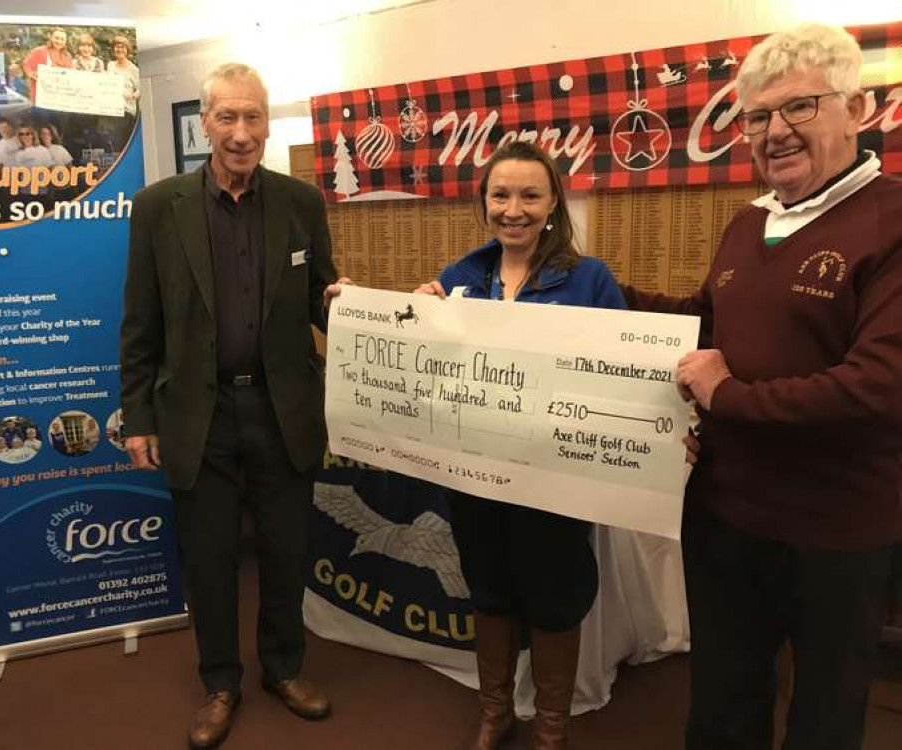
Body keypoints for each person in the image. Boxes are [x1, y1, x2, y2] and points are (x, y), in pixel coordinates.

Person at [621, 23, 902, 750]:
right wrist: (591, 293)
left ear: (856, 108)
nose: (774, 131)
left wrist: (726, 398)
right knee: (720, 703)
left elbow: (876, 386)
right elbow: (704, 323)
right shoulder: (749, 223)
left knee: (825, 717)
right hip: (724, 513)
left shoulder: (892, 218)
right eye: (756, 117)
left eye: (799, 107)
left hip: (836, 529)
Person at [363, 141, 626, 750]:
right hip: (476, 479)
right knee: (490, 589)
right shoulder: (460, 277)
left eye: (530, 195)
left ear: (553, 202)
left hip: (556, 484)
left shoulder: (588, 279)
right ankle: (495, 713)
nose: (514, 209)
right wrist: (412, 317)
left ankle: (551, 726)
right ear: (483, 203)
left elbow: (619, 374)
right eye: (500, 195)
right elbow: (424, 365)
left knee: (556, 597)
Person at [120, 62, 337, 750]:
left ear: (267, 123)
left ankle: (284, 668)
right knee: (209, 559)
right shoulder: (159, 207)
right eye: (227, 118)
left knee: (285, 551)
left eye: (253, 118)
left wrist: (363, 310)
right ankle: (220, 682)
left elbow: (322, 300)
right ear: (204, 124)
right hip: (198, 415)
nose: (240, 134)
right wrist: (140, 416)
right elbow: (139, 323)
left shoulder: (302, 204)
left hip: (282, 412)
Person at [21, 27, 73, 102]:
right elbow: (26, 63)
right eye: (56, 38)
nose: (59, 41)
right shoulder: (40, 51)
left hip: (61, 97)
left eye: (62, 39)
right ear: (51, 37)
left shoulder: (68, 56)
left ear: (65, 41)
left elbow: (71, 74)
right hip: (41, 95)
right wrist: (31, 74)